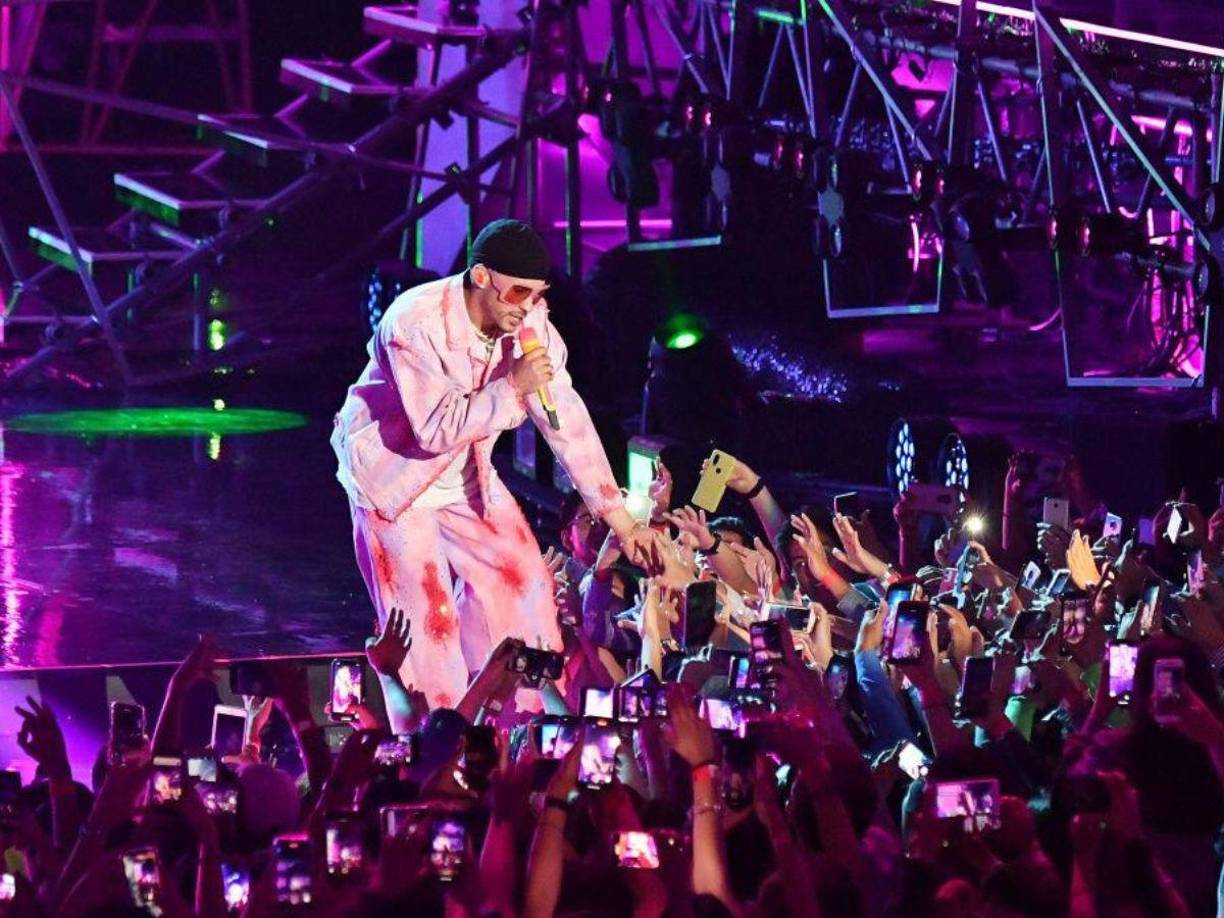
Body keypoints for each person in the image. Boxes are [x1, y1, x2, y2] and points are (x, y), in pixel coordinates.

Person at [331, 219, 656, 711]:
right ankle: (436, 748)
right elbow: (434, 430)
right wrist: (511, 388)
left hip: (465, 475)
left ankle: (519, 731)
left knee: (524, 585)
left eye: (537, 294)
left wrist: (622, 521)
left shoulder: (530, 324)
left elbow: (563, 415)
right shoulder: (414, 322)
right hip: (394, 481)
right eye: (518, 292)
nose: (527, 306)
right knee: (430, 624)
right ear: (482, 277)